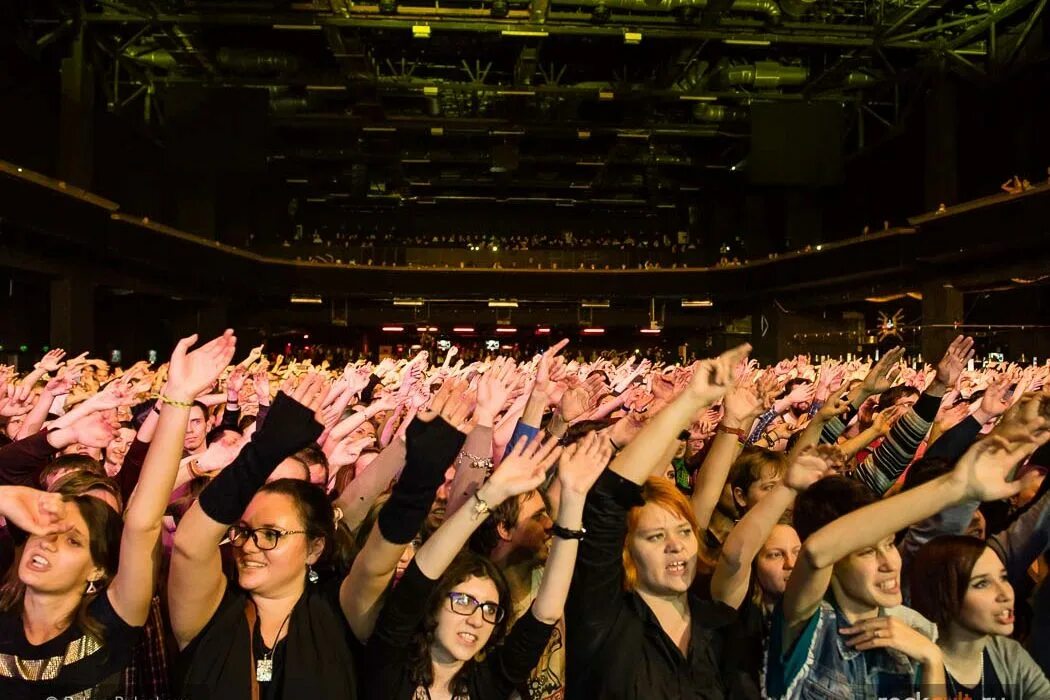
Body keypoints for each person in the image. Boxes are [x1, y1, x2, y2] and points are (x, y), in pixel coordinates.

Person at [0, 330, 235, 699]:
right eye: (46, 530)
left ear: (98, 568)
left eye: (74, 540)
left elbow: (143, 521)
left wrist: (177, 399)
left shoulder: (111, 623)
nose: (48, 545)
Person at [565, 345, 752, 699]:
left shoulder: (721, 625)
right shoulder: (602, 619)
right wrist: (689, 400)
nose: (676, 544)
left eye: (684, 531)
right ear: (627, 550)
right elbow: (607, 502)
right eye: (654, 537)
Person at [364, 430, 607, 700]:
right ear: (434, 604)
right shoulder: (389, 664)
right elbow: (421, 573)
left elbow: (546, 615)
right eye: (464, 601)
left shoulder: (487, 684)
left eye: (490, 609)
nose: (477, 619)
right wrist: (491, 495)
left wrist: (574, 498)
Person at [168, 374, 360, 700]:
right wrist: (264, 449)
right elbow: (189, 545)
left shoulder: (341, 613)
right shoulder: (210, 613)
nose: (249, 546)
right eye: (244, 532)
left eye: (271, 534)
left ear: (314, 548)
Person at [910, 536, 1050, 697]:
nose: (1005, 594)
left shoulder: (1007, 653)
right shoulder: (910, 666)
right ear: (944, 594)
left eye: (1003, 578)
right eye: (982, 584)